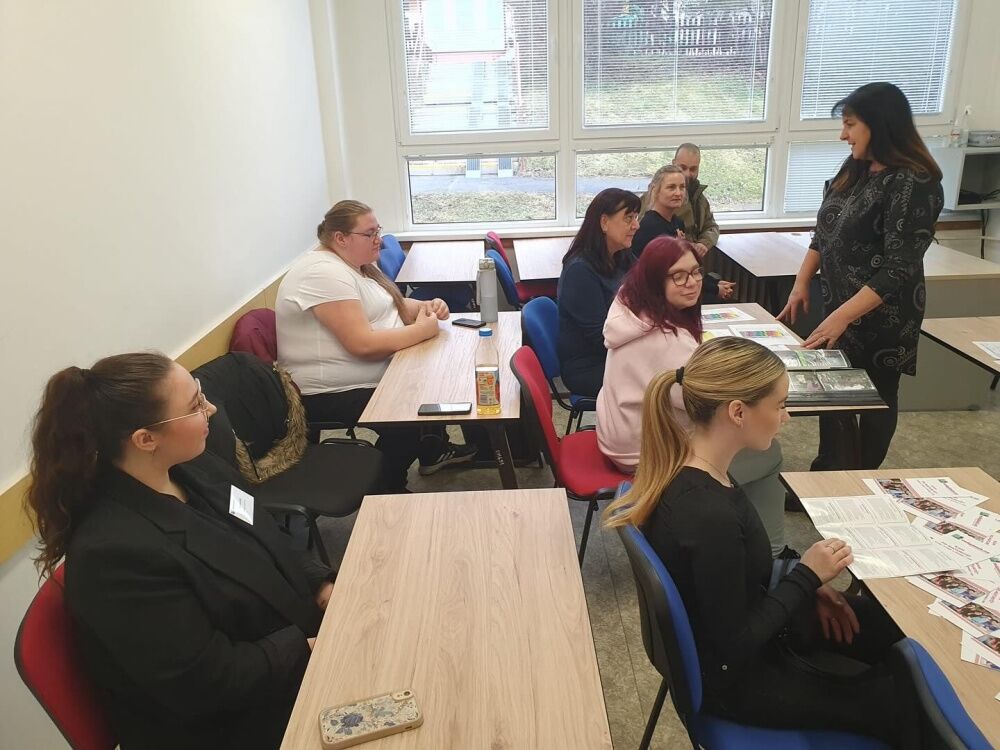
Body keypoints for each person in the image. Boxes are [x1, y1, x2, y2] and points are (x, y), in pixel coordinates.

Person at [603, 338, 918, 748]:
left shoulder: (700, 470)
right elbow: (733, 648)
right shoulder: (707, 514)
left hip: (749, 637)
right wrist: (806, 577)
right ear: (738, 412)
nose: (786, 417)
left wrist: (804, 582)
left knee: (889, 626)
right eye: (780, 405)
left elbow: (738, 575)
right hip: (741, 682)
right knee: (907, 705)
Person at [27, 353, 335, 750]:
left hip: (282, 657)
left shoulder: (195, 467)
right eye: (195, 405)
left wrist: (322, 586)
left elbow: (268, 534)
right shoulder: (114, 555)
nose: (212, 409)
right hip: (233, 724)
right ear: (146, 439)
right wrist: (313, 648)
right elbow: (209, 681)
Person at [778, 83, 944, 470]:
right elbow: (824, 231)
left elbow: (899, 266)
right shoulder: (855, 166)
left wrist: (843, 316)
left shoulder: (914, 181)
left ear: (879, 124)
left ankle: (859, 475)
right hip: (839, 305)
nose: (844, 135)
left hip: (882, 316)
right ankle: (828, 470)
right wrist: (801, 283)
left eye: (850, 125)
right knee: (831, 390)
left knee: (874, 395)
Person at [596, 236, 786, 554]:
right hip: (640, 453)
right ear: (656, 280)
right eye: (678, 276)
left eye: (696, 272)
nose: (693, 282)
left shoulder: (632, 306)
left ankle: (752, 539)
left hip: (619, 433)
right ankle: (772, 552)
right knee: (768, 452)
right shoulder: (667, 340)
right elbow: (704, 406)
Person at [276, 200, 476, 491]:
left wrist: (427, 306)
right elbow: (363, 345)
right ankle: (385, 488)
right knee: (414, 405)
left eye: (378, 231)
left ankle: (432, 451)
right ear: (340, 238)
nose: (379, 241)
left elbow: (390, 306)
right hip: (328, 392)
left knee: (432, 380)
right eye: (370, 234)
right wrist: (421, 330)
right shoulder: (322, 274)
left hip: (375, 372)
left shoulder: (356, 265)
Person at [557, 188, 639, 398]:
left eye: (636, 218)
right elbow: (601, 336)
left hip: (617, 352)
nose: (636, 225)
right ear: (604, 222)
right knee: (663, 380)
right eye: (628, 218)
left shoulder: (622, 256)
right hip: (589, 366)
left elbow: (650, 290)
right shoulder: (580, 270)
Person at [633, 164, 734, 302]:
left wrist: (714, 284)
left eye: (682, 187)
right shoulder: (650, 227)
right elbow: (672, 274)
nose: (678, 193)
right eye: (671, 187)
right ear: (656, 190)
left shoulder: (677, 222)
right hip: (658, 297)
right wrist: (715, 289)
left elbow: (685, 268)